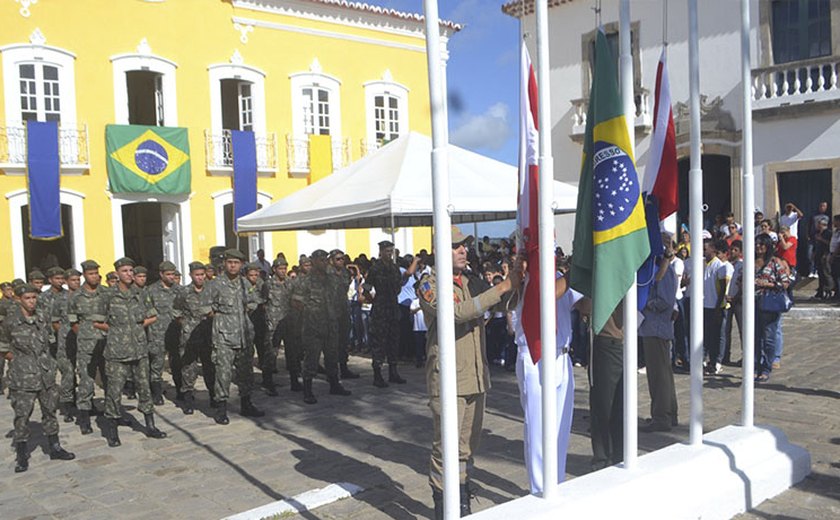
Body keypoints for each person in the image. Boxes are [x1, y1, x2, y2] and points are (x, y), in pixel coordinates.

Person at [418, 227, 520, 518]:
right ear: (439, 250)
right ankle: (443, 508)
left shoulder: (471, 281)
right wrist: (499, 288)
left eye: (465, 245)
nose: (463, 250)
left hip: (475, 374)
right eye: (456, 246)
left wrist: (515, 280)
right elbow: (456, 313)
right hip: (448, 378)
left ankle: (461, 502)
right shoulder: (430, 283)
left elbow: (502, 304)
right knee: (446, 449)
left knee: (466, 448)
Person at [513, 261, 581, 494]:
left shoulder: (560, 275)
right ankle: (540, 492)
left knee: (561, 430)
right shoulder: (526, 278)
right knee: (540, 433)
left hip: (562, 356)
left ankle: (556, 486)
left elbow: (585, 306)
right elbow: (547, 293)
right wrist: (577, 272)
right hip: (536, 357)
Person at [1, 284, 75, 473]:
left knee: (50, 411)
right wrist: (20, 361)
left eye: (34, 298)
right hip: (23, 377)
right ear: (19, 299)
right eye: (28, 298)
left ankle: (55, 446)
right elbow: (3, 347)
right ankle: (22, 453)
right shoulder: (11, 322)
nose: (32, 301)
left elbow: (48, 340)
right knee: (22, 415)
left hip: (45, 374)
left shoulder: (42, 318)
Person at [98, 257, 166, 447]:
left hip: (139, 349)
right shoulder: (107, 295)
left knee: (144, 388)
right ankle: (112, 429)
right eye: (125, 271)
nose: (129, 274)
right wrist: (117, 331)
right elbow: (96, 321)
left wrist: (135, 327)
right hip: (116, 352)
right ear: (117, 273)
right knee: (114, 390)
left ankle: (150, 425)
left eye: (131, 271)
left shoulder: (140, 293)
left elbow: (152, 315)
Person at [207, 249, 264, 424]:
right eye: (230, 262)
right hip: (224, 337)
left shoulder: (245, 283)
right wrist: (220, 317)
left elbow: (255, 300)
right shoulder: (215, 284)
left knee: (246, 372)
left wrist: (248, 309)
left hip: (244, 334)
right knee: (223, 373)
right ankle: (221, 408)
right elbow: (205, 307)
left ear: (241, 265)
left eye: (237, 263)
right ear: (224, 264)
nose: (233, 265)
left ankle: (246, 404)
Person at [289, 250, 351, 404]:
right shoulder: (305, 281)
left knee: (332, 357)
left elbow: (340, 296)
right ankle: (308, 390)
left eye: (325, 260)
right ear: (314, 261)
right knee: (312, 359)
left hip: (331, 325)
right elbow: (296, 302)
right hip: (313, 327)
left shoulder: (332, 279)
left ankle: (334, 384)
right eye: (320, 260)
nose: (324, 262)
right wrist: (310, 311)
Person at [640, 239, 679, 432]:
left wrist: (642, 303)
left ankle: (661, 416)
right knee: (663, 374)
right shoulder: (658, 271)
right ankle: (668, 413)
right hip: (653, 328)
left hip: (656, 327)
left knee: (659, 376)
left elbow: (664, 301)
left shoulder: (664, 272)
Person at [367, 240, 419, 387]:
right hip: (380, 309)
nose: (389, 254)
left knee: (393, 341)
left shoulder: (395, 268)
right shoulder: (375, 268)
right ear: (381, 251)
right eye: (387, 251)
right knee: (379, 343)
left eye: (391, 251)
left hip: (393, 307)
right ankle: (377, 375)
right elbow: (366, 285)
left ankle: (393, 372)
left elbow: (399, 284)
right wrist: (370, 297)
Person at [67, 260, 108, 435]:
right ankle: (84, 417)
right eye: (91, 273)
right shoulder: (76, 297)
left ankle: (113, 412)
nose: (95, 276)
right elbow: (73, 323)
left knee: (110, 379)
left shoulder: (106, 293)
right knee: (86, 380)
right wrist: (85, 335)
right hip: (86, 345)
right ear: (84, 275)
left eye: (96, 273)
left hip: (106, 343)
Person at [173, 262, 214, 414]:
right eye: (197, 275)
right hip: (189, 336)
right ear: (191, 275)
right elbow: (176, 312)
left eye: (202, 274)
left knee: (210, 366)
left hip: (208, 335)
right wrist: (185, 325)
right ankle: (188, 399)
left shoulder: (211, 290)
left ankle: (214, 396)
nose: (200, 278)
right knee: (189, 368)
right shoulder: (184, 292)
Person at [754, 235, 790, 382]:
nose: (758, 247)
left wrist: (767, 284)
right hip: (753, 303)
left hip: (769, 303)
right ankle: (756, 366)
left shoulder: (774, 262)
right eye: (756, 244)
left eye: (761, 244)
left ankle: (766, 368)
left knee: (769, 337)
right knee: (755, 337)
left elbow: (785, 283)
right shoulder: (750, 262)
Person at [146, 261, 181, 405]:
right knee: (157, 364)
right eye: (168, 274)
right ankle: (156, 392)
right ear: (161, 274)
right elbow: (147, 310)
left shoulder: (179, 290)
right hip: (157, 333)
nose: (171, 277)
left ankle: (181, 390)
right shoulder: (151, 291)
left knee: (178, 363)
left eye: (173, 274)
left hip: (176, 332)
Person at [51, 268, 81, 422]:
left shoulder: (84, 297)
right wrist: (63, 332)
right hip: (65, 342)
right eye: (73, 280)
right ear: (66, 281)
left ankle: (86, 403)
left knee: (85, 374)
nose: (76, 282)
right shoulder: (60, 299)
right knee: (68, 374)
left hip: (83, 340)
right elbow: (55, 321)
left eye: (78, 280)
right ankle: (67, 406)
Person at [261, 254, 291, 394]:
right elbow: (263, 302)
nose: (283, 271)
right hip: (273, 323)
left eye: (285, 268)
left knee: (292, 351)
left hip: (287, 321)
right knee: (271, 352)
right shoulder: (268, 284)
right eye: (280, 268)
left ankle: (295, 379)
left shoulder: (290, 283)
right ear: (274, 269)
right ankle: (267, 381)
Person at [329, 249, 359, 380]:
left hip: (343, 311)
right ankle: (332, 373)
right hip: (331, 312)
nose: (341, 261)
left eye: (342, 259)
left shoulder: (345, 273)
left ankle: (344, 368)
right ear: (331, 260)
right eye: (338, 259)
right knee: (332, 344)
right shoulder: (326, 274)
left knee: (344, 342)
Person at [808, 202, 830, 278]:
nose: (822, 207)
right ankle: (811, 270)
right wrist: (808, 235)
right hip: (813, 238)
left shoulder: (828, 217)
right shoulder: (814, 216)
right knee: (810, 254)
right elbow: (809, 225)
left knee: (819, 255)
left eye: (824, 206)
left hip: (821, 238)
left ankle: (816, 271)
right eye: (821, 206)